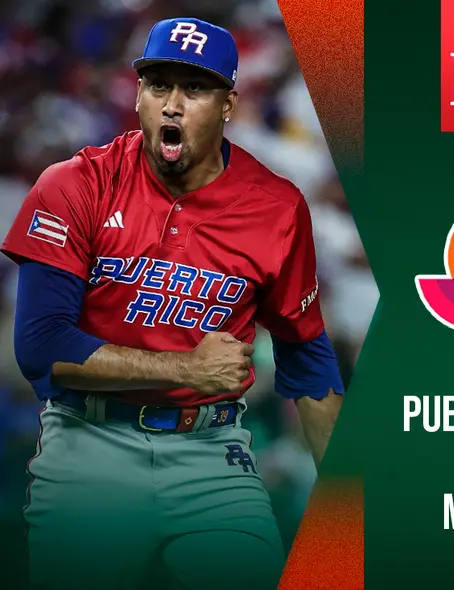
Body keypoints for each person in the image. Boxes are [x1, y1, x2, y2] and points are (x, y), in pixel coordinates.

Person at [0, 17, 344, 590]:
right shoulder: (74, 185)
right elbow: (40, 347)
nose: (173, 105)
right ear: (137, 93)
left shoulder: (277, 209)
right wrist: (187, 368)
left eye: (195, 88)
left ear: (230, 103)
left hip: (212, 454)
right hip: (89, 448)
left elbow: (308, 360)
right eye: (159, 85)